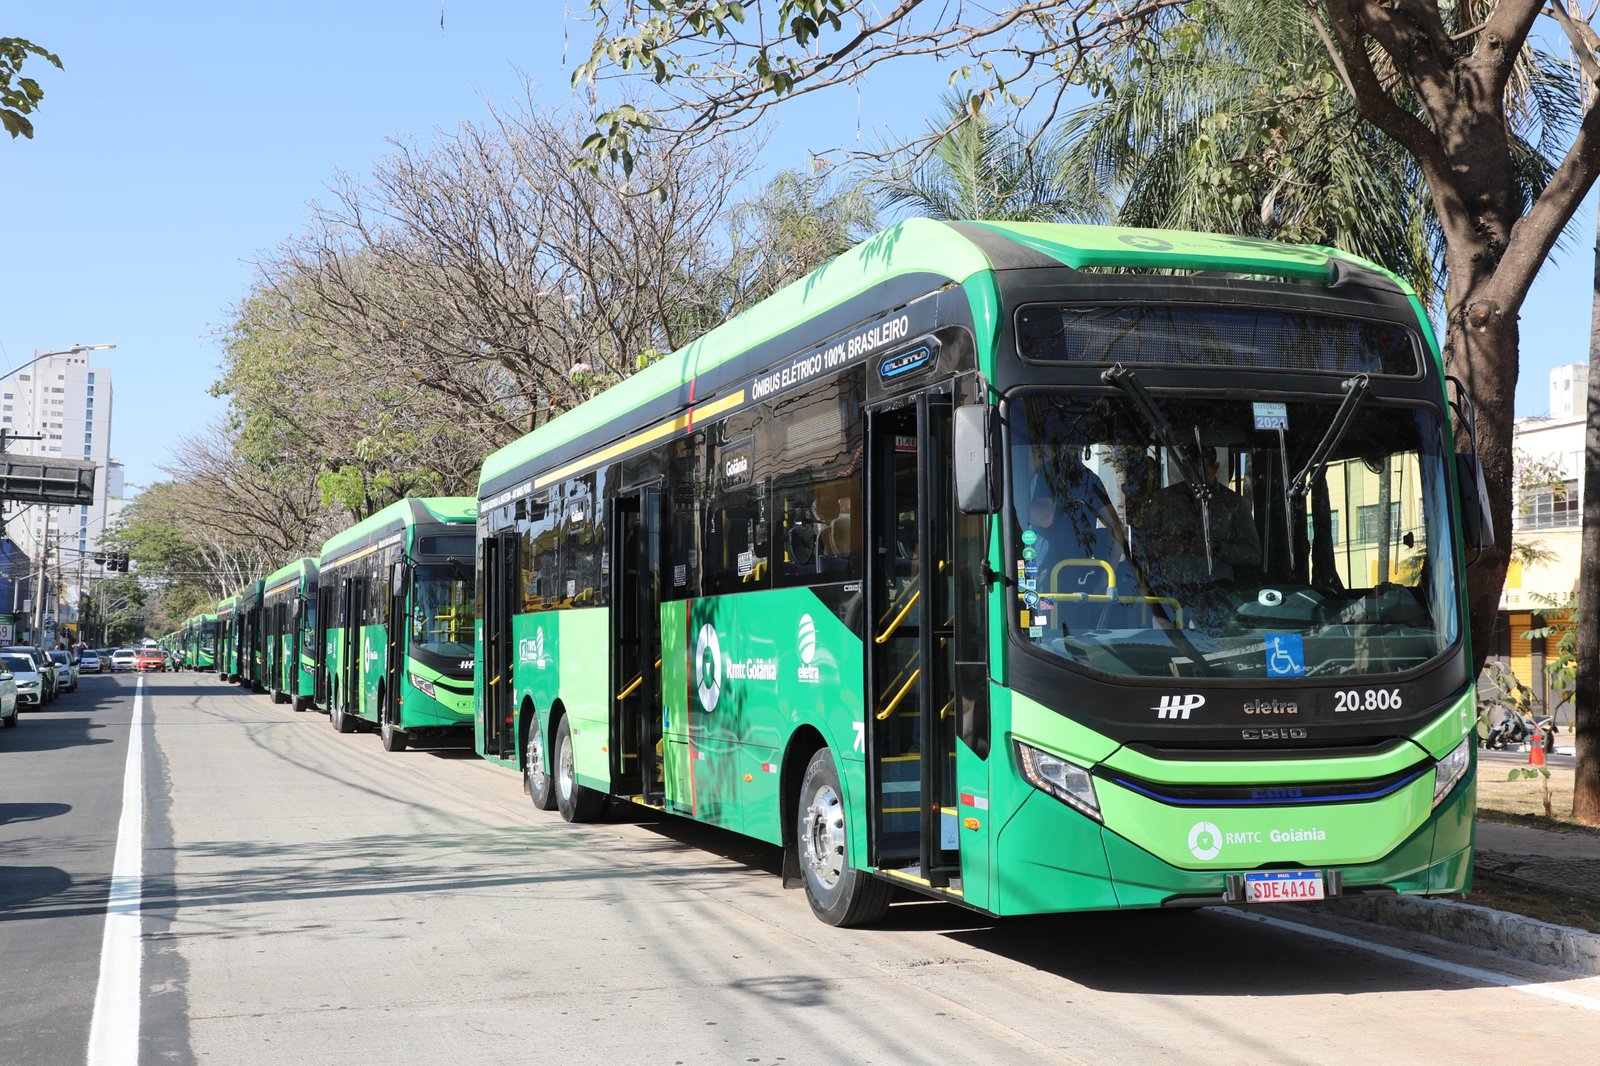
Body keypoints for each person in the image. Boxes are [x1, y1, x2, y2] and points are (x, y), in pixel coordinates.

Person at [1140, 444, 1261, 585]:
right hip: (1169, 588)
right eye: (1190, 471)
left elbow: (1253, 554)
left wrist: (1215, 548)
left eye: (1203, 472)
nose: (1196, 478)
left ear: (1215, 468)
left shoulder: (1233, 503)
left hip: (1219, 588)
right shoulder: (1163, 500)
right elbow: (1140, 544)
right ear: (1184, 469)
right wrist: (1166, 544)